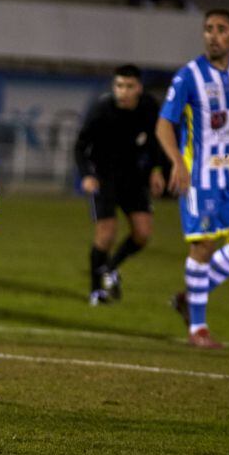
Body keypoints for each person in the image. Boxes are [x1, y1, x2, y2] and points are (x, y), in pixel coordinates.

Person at [156, 9, 229, 349]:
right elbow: (164, 124)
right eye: (208, 29)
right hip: (199, 177)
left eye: (220, 30)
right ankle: (198, 328)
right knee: (202, 246)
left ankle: (190, 296)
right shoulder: (188, 76)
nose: (212, 35)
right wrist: (177, 162)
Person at [73, 64, 165, 304]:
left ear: (139, 88)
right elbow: (80, 146)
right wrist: (86, 175)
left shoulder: (148, 107)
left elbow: (156, 141)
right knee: (106, 234)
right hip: (103, 177)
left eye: (129, 86)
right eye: (119, 86)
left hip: (134, 178)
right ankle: (96, 291)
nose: (123, 91)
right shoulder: (101, 110)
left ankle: (110, 268)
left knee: (143, 234)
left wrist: (156, 169)